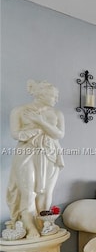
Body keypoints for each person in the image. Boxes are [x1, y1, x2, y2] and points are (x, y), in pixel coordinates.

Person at [6, 80, 65, 238]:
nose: (56, 99)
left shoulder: (57, 113)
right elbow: (15, 133)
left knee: (46, 192)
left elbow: (59, 134)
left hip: (50, 153)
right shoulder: (19, 111)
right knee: (28, 191)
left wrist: (40, 122)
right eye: (54, 96)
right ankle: (30, 226)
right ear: (41, 95)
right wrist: (26, 134)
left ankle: (43, 223)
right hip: (27, 152)